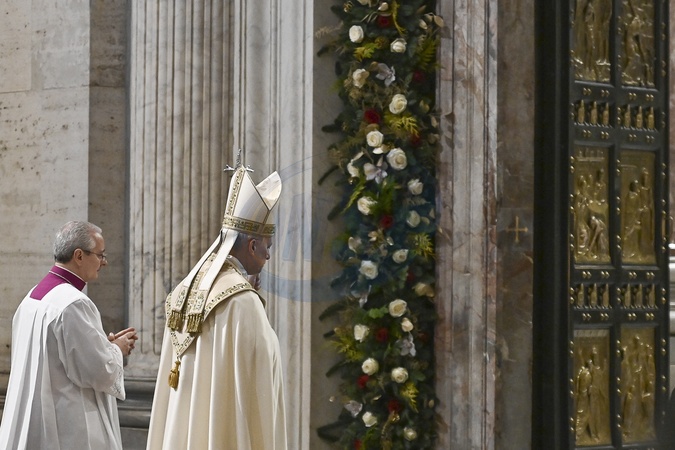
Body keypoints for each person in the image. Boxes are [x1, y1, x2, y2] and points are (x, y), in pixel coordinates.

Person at [146, 159, 287, 449]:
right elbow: (261, 369)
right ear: (252, 246)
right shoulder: (242, 301)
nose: (268, 256)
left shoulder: (185, 290)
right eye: (267, 247)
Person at [0, 220, 138, 450]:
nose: (104, 262)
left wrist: (102, 345)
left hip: (33, 417)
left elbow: (57, 352)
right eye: (100, 255)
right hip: (64, 424)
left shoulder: (32, 297)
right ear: (79, 256)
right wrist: (118, 348)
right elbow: (98, 371)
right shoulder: (74, 303)